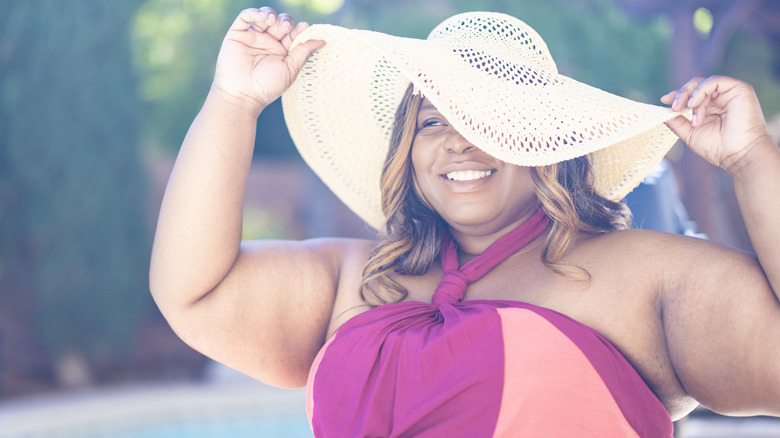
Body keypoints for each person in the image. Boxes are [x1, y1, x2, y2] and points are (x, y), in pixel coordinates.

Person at [149, 6, 780, 437]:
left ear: (545, 140)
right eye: (432, 122)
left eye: (487, 117)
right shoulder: (355, 278)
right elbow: (191, 294)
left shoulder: (644, 275)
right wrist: (233, 102)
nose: (458, 142)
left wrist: (753, 161)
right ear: (409, 152)